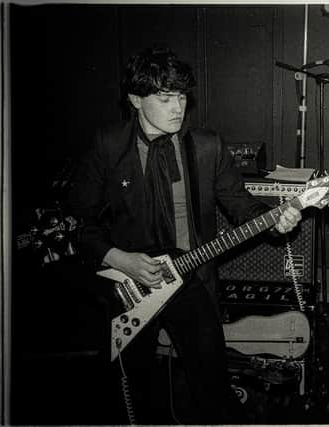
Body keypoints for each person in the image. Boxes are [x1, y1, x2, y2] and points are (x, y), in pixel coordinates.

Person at [67, 46, 302, 424]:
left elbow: (242, 206)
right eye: (164, 97)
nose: (177, 106)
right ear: (135, 100)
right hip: (129, 284)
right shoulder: (108, 145)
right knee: (132, 393)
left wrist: (276, 221)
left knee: (213, 388)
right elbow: (78, 219)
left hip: (193, 281)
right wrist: (119, 258)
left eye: (181, 96)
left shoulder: (207, 146)